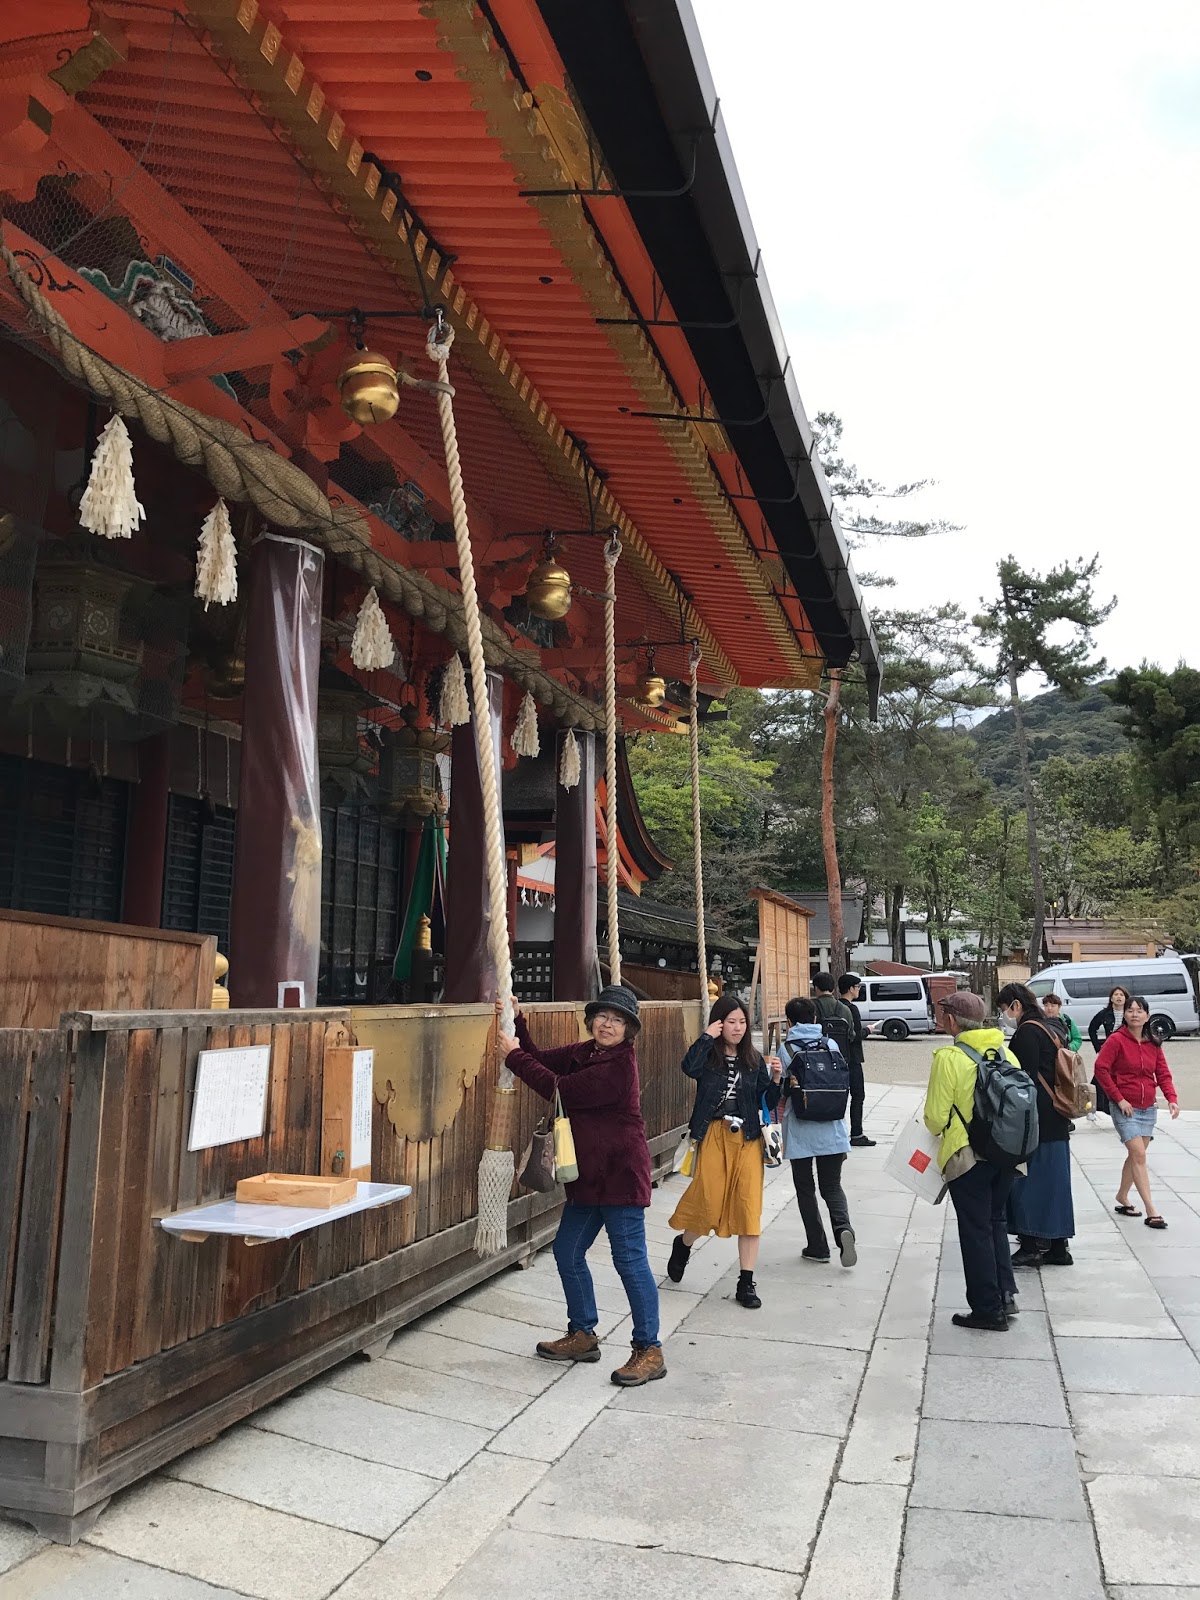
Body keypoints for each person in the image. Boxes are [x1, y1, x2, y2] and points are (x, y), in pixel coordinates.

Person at [498, 984, 665, 1387]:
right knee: (568, 1251)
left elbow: (560, 1089)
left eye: (618, 1020)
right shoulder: (586, 1051)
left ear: (629, 1030)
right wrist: (516, 1022)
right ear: (592, 1020)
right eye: (602, 1016)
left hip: (621, 1177)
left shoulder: (618, 1067)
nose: (607, 1024)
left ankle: (649, 1349)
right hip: (588, 1177)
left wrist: (512, 1056)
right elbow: (538, 1060)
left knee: (630, 1261)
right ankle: (583, 1334)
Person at [667, 995, 783, 1308]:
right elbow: (688, 1067)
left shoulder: (753, 1059)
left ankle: (746, 1282)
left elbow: (767, 1101)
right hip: (714, 1134)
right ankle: (684, 1243)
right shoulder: (708, 1057)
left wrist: (775, 1079)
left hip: (747, 1138)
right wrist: (707, 1036)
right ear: (719, 1023)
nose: (738, 1027)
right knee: (708, 1202)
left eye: (742, 1022)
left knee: (748, 1207)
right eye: (731, 1021)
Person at [923, 991, 1020, 1330]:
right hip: (1007, 1153)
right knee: (996, 1222)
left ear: (951, 1020)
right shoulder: (1005, 1052)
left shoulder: (949, 1057)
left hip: (968, 1156)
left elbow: (935, 1118)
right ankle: (1005, 1295)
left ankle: (987, 1309)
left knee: (975, 1230)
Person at [997, 983, 1076, 1268]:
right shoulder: (1054, 1027)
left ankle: (1030, 1245)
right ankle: (1058, 1246)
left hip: (1036, 1118)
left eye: (1005, 1009)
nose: (1005, 1015)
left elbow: (1022, 1080)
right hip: (1058, 1114)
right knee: (1056, 1184)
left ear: (1016, 1005)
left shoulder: (1027, 1032)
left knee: (1027, 1183)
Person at [781, 997, 857, 1266]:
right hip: (832, 1127)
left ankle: (818, 1246)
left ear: (789, 1022)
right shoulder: (831, 1044)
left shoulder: (787, 1049)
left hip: (801, 1128)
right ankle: (843, 1228)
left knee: (805, 1188)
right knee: (832, 1186)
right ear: (815, 1019)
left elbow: (780, 1090)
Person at [1094, 994, 1180, 1229]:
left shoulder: (1153, 1043)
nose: (1134, 1014)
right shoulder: (1116, 1040)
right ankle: (1152, 1211)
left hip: (1147, 1107)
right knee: (1139, 1155)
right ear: (1125, 1014)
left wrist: (1171, 1098)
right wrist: (1119, 1099)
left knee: (1136, 1156)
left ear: (1147, 1016)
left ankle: (1122, 1196)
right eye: (1130, 1010)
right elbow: (1101, 1068)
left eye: (1139, 1010)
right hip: (1125, 1107)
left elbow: (1162, 1073)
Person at [838, 972, 875, 1147]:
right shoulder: (851, 1009)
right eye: (858, 987)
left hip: (837, 1057)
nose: (859, 989)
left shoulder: (836, 1007)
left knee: (840, 1096)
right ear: (851, 989)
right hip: (852, 1058)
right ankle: (857, 1133)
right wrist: (868, 1030)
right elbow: (856, 1035)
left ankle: (838, 1133)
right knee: (858, 1095)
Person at [1088, 985, 1129, 1117]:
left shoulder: (1130, 1013)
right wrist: (1098, 1047)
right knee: (1100, 1076)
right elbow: (1092, 1028)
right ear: (1111, 998)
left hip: (1126, 1050)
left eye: (1121, 995)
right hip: (1109, 1049)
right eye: (1116, 995)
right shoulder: (1105, 1013)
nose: (1119, 997)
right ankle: (1091, 1106)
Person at [812, 971, 855, 1061]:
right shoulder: (845, 1009)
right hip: (840, 1057)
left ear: (816, 988)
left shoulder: (810, 1007)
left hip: (816, 1058)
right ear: (833, 989)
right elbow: (851, 1036)